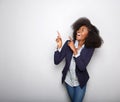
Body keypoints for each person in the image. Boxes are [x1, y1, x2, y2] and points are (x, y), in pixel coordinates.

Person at [54, 17, 103, 102]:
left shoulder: (89, 48)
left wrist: (74, 50)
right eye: (78, 29)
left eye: (82, 30)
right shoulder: (68, 43)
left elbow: (82, 67)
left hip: (80, 82)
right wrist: (59, 46)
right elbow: (56, 61)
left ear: (88, 34)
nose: (78, 31)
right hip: (68, 80)